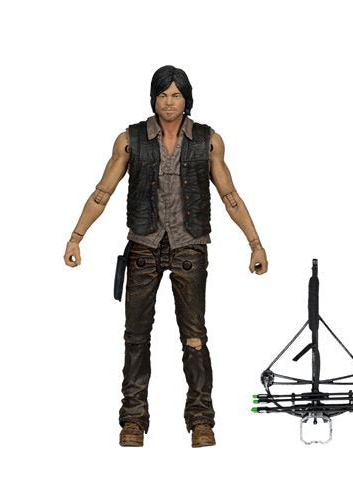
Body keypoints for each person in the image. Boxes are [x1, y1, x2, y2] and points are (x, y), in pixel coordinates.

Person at [63, 65, 268, 448]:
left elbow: (230, 195)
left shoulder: (207, 141)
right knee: (135, 337)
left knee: (194, 337)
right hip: (144, 246)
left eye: (176, 95)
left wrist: (254, 243)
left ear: (187, 99)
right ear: (153, 98)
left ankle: (201, 420)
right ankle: (133, 420)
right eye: (163, 95)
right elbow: (102, 192)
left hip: (190, 246)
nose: (169, 102)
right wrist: (77, 237)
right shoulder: (130, 140)